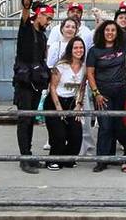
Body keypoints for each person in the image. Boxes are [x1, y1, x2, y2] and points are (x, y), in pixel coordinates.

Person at [87, 20, 126, 173]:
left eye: (113, 30)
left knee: (119, 125)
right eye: (107, 30)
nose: (110, 33)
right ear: (102, 32)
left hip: (121, 92)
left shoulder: (123, 45)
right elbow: (90, 73)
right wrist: (96, 93)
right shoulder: (94, 51)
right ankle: (101, 160)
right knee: (105, 126)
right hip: (102, 94)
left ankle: (114, 157)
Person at [13, 0, 50, 174]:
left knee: (31, 120)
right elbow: (26, 4)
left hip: (36, 82)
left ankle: (28, 154)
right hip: (24, 83)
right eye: (47, 18)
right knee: (24, 119)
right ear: (38, 16)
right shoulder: (26, 27)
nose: (48, 22)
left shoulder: (43, 35)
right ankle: (24, 157)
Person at [45, 37, 86, 170]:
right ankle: (53, 160)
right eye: (75, 47)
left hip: (72, 102)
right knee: (59, 135)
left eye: (81, 48)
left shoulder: (84, 67)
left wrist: (79, 105)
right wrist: (58, 109)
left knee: (77, 135)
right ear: (70, 49)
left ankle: (67, 159)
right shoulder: (61, 66)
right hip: (55, 101)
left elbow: (82, 87)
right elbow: (52, 87)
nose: (79, 50)